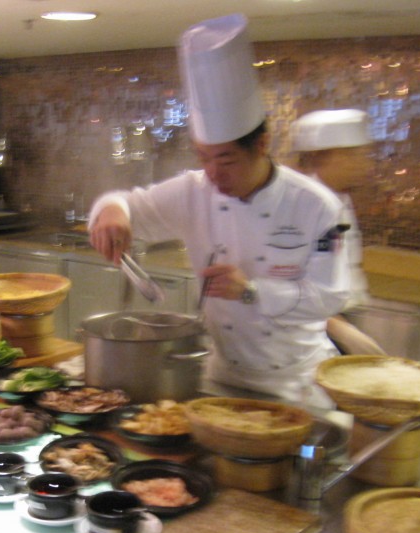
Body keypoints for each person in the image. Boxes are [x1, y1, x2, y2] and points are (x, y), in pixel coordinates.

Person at [89, 14, 351, 408]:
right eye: (203, 158)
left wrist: (252, 292)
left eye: (226, 161)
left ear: (261, 145)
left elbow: (330, 297)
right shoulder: (193, 191)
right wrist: (111, 212)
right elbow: (125, 202)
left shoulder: (316, 206)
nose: (213, 174)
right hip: (219, 378)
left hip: (297, 386)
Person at [290, 109, 386, 356]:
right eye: (357, 156)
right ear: (328, 157)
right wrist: (340, 329)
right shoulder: (306, 206)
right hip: (316, 333)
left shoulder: (339, 198)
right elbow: (289, 280)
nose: (366, 164)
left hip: (340, 320)